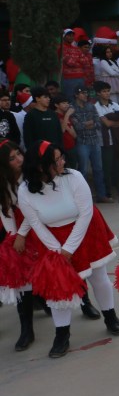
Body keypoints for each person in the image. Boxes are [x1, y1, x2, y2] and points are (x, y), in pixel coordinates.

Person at [18, 141, 119, 358]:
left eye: (61, 157)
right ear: (41, 166)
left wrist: (68, 248)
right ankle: (62, 334)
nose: (63, 162)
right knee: (59, 288)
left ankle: (111, 317)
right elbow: (36, 224)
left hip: (84, 231)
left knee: (98, 277)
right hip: (52, 239)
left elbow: (86, 213)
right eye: (57, 159)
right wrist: (58, 252)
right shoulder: (24, 190)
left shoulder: (74, 177)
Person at [1, 139, 35, 351]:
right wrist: (14, 238)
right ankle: (26, 329)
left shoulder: (33, 173)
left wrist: (21, 234)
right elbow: (5, 212)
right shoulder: (2, 182)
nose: (19, 160)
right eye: (12, 158)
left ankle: (85, 303)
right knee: (21, 274)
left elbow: (37, 211)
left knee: (62, 267)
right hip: (19, 228)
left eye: (18, 154)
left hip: (40, 226)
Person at [69, 86, 110, 202]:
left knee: (98, 169)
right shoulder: (72, 108)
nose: (85, 95)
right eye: (82, 93)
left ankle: (101, 195)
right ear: (76, 95)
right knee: (83, 171)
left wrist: (86, 123)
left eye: (86, 93)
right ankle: (84, 198)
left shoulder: (91, 106)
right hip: (82, 142)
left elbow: (98, 123)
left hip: (94, 140)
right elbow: (77, 127)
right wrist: (89, 123)